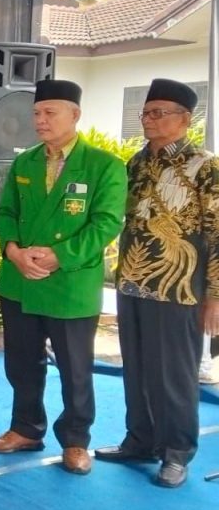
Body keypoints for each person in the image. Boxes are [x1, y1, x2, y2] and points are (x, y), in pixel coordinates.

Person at [0, 79, 126, 475]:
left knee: (75, 370)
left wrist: (58, 257)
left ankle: (76, 440)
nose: (40, 120)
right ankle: (25, 429)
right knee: (21, 364)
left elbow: (106, 224)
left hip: (70, 284)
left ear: (75, 115)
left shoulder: (103, 165)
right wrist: (13, 251)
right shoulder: (25, 162)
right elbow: (5, 213)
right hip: (21, 280)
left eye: (50, 112)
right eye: (36, 113)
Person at [96, 78, 219, 488]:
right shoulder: (136, 163)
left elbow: (218, 233)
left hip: (178, 288)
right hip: (132, 284)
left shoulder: (205, 166)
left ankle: (176, 452)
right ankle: (141, 441)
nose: (148, 120)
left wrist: (215, 295)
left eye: (158, 113)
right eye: (145, 112)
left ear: (185, 119)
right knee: (137, 369)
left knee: (174, 376)